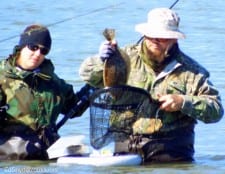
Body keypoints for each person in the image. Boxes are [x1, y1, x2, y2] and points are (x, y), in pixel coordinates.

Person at [79, 8, 224, 163]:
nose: (155, 39)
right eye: (151, 35)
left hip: (172, 152)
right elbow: (87, 75)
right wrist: (101, 60)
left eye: (162, 37)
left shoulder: (192, 71)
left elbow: (216, 110)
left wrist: (183, 102)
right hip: (124, 149)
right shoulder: (124, 57)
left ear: (174, 39)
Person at [0, 24, 92, 160]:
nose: (37, 54)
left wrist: (98, 79)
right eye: (33, 47)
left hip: (49, 155)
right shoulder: (2, 78)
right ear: (22, 46)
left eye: (44, 51)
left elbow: (74, 108)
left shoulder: (52, 80)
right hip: (14, 160)